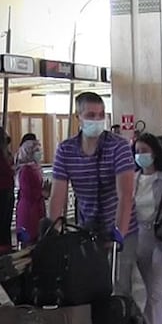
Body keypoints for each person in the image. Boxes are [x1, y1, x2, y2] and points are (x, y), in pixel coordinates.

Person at [48, 91, 137, 297]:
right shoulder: (66, 150)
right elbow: (57, 195)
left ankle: (120, 323)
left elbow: (125, 194)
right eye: (90, 115)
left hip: (121, 227)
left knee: (118, 289)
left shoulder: (118, 146)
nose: (97, 120)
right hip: (87, 229)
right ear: (78, 117)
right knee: (86, 286)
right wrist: (54, 231)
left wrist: (119, 234)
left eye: (101, 114)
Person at [131, 133, 162, 324]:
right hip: (140, 238)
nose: (140, 155)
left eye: (145, 151)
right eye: (137, 151)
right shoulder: (133, 179)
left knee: (157, 292)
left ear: (155, 153)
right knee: (152, 291)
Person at [14, 136, 46, 245]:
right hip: (28, 210)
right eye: (36, 150)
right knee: (28, 241)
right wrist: (42, 193)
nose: (39, 153)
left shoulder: (36, 168)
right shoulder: (25, 170)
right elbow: (28, 193)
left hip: (37, 208)